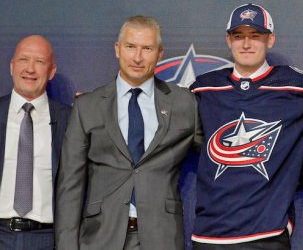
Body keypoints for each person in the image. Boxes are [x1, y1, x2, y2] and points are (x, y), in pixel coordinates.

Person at [189, 3, 303, 249]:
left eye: (255, 36)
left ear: (271, 39)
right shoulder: (205, 87)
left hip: (267, 236)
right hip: (209, 235)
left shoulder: (297, 86)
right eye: (239, 36)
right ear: (228, 40)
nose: (246, 44)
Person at [55, 15, 202, 250]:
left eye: (147, 48)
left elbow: (216, 161)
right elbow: (70, 186)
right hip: (100, 238)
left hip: (162, 237)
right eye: (131, 46)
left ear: (160, 54)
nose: (137, 57)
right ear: (117, 49)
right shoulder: (87, 106)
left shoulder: (185, 103)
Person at [0, 35, 71, 249]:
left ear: (51, 71)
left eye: (39, 61)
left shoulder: (71, 120)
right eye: (23, 60)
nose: (30, 69)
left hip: (48, 238)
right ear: (12, 67)